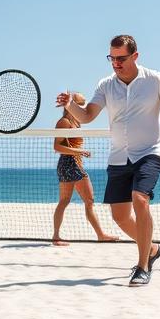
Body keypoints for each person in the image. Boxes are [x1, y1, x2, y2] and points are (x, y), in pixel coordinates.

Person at [57, 34, 160, 286]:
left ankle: (142, 267)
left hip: (150, 151)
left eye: (121, 58)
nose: (116, 63)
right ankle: (151, 249)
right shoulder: (106, 85)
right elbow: (86, 116)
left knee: (140, 199)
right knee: (119, 217)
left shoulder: (154, 79)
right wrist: (71, 104)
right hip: (119, 156)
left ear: (135, 56)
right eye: (112, 58)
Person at [50, 98, 118, 246]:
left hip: (75, 164)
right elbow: (57, 147)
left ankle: (100, 234)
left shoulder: (76, 122)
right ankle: (56, 236)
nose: (82, 108)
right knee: (69, 201)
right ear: (70, 106)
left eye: (81, 105)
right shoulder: (64, 122)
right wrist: (79, 151)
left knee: (86, 201)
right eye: (79, 105)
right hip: (68, 163)